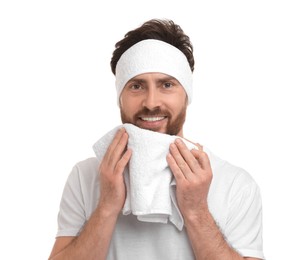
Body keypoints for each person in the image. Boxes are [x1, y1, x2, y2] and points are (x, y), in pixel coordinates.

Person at [49, 19, 265, 260]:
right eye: (137, 86)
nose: (151, 102)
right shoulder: (85, 176)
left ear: (187, 95)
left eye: (167, 84)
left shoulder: (235, 184)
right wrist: (107, 206)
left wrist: (196, 211)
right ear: (120, 96)